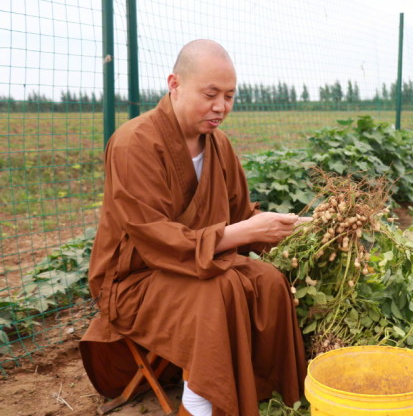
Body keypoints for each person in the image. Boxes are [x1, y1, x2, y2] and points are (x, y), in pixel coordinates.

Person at [79, 39, 308, 416]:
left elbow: (239, 215)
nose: (221, 107)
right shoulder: (133, 144)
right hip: (133, 279)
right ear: (175, 84)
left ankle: (270, 397)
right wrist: (247, 232)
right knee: (219, 290)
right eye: (210, 94)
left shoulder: (219, 145)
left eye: (230, 96)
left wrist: (290, 230)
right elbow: (154, 237)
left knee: (267, 281)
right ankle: (203, 406)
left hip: (201, 261)